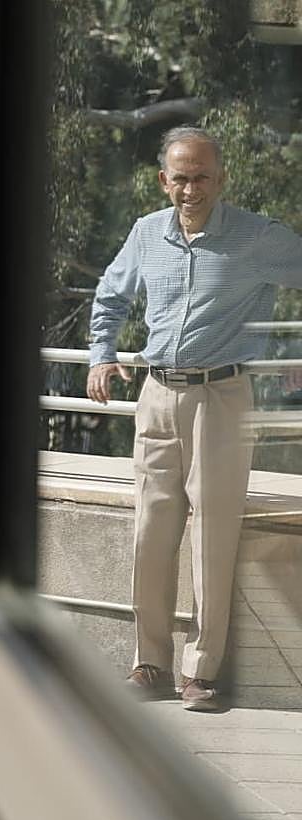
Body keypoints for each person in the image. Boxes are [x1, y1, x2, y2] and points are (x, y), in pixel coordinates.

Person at [87, 126, 302, 711]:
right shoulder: (145, 233)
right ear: (164, 180)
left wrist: (292, 352)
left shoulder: (259, 238)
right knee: (152, 533)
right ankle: (150, 663)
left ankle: (201, 673)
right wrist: (102, 355)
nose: (190, 188)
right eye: (180, 177)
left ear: (221, 178)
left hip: (222, 399)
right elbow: (109, 297)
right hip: (156, 396)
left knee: (213, 535)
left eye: (201, 176)